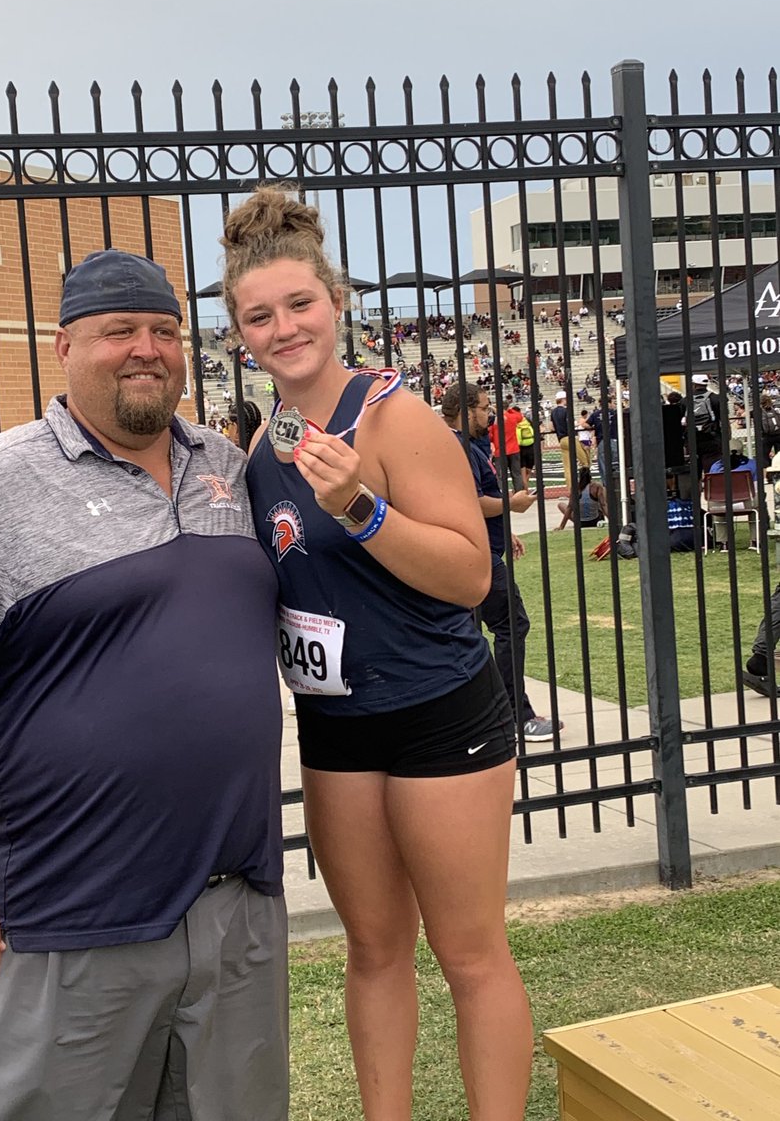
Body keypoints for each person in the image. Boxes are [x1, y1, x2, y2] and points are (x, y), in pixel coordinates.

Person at [0, 249, 288, 1121]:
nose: (147, 349)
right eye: (118, 332)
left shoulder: (225, 468)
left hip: (233, 907)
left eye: (165, 331)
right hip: (70, 914)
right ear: (64, 346)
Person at [222, 186, 532, 1121]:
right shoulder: (261, 446)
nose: (284, 329)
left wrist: (361, 509)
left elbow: (471, 578)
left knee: (469, 952)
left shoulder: (391, 418)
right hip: (337, 728)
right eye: (259, 316)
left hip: (441, 714)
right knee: (373, 949)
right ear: (241, 333)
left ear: (337, 300)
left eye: (299, 305)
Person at [441, 383, 560, 744]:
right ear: (465, 409)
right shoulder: (459, 446)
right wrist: (512, 503)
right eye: (484, 407)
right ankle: (515, 713)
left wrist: (503, 529)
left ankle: (482, 714)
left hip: (476, 548)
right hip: (475, 555)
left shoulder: (463, 445)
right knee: (511, 624)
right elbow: (471, 501)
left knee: (473, 632)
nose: (489, 414)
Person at [550, 388, 589, 484]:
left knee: (568, 467)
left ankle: (571, 489)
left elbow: (551, 428)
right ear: (563, 399)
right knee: (585, 460)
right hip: (569, 438)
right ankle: (586, 483)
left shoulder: (553, 412)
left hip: (561, 439)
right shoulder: (566, 411)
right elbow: (570, 425)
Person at [758, 392, 780, 464]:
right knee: (778, 454)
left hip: (767, 436)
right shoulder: (774, 409)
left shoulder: (761, 412)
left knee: (764, 455)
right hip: (778, 433)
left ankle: (766, 468)